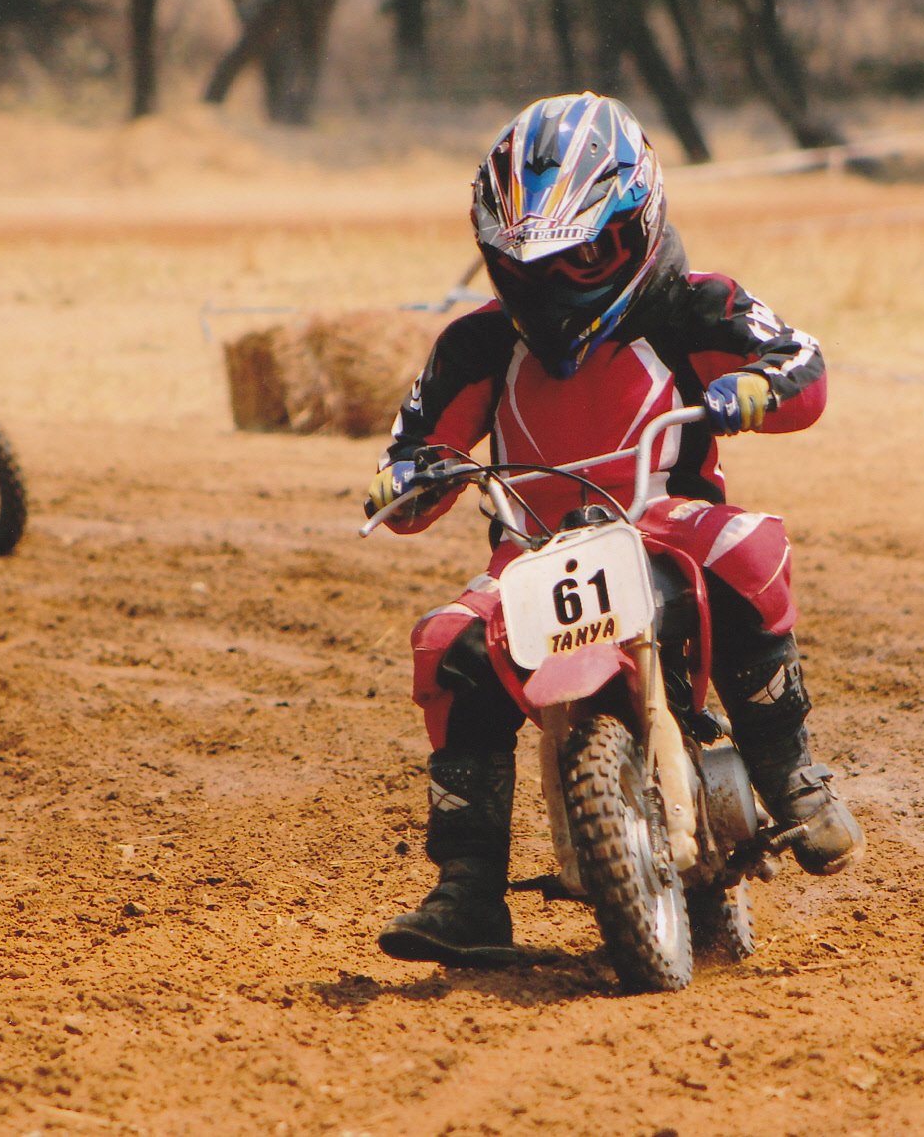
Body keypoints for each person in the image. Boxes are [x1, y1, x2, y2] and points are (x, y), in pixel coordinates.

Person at [364, 93, 864, 967]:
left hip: (663, 524)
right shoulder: (477, 345)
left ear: (636, 225)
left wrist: (759, 389)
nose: (557, 284)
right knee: (448, 643)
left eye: (584, 254)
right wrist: (407, 479)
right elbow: (415, 453)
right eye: (533, 266)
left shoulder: (693, 307)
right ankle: (469, 887)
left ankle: (790, 773)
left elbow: (802, 367)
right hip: (530, 551)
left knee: (749, 544)